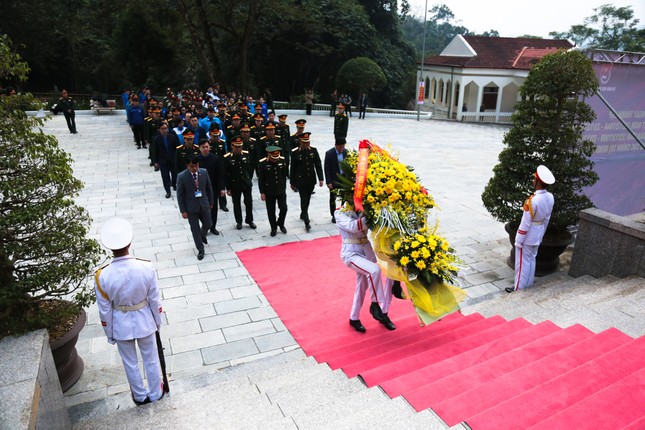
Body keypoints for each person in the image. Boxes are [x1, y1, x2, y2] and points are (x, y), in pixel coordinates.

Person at [95, 217, 164, 405]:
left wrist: (109, 333)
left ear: (109, 247)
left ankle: (140, 396)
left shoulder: (102, 275)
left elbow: (104, 310)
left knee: (130, 363)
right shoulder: (146, 267)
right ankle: (156, 393)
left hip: (120, 323)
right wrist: (157, 322)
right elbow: (154, 299)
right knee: (151, 359)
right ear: (130, 242)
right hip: (145, 319)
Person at [334, 207, 395, 332]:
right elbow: (353, 227)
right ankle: (375, 304)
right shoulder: (340, 212)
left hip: (366, 253)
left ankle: (354, 317)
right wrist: (370, 214)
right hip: (351, 254)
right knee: (374, 271)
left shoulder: (363, 209)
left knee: (361, 286)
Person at [506, 165, 556, 293]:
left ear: (538, 182)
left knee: (522, 264)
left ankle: (518, 288)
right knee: (532, 260)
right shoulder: (550, 197)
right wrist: (541, 234)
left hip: (528, 236)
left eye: (534, 179)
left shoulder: (532, 200)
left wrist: (518, 240)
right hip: (538, 233)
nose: (533, 181)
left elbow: (525, 224)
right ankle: (528, 285)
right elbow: (546, 219)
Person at [176, 157, 214, 260]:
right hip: (191, 207)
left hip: (204, 204)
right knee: (195, 229)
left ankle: (202, 235)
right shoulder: (181, 176)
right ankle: (200, 249)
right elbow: (180, 195)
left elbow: (209, 188)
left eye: (196, 165)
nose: (195, 168)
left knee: (208, 224)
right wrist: (183, 210)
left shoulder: (204, 172)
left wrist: (211, 202)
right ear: (187, 166)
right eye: (192, 166)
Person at [290, 132, 323, 232]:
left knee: (307, 198)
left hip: (311, 180)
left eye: (308, 142)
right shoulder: (295, 152)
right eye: (304, 142)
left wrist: (321, 178)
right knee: (303, 198)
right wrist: (292, 182)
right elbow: (293, 169)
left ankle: (303, 212)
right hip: (300, 181)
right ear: (300, 142)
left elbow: (318, 165)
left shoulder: (313, 150)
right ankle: (306, 220)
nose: (306, 144)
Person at [223, 137, 256, 230]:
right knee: (236, 204)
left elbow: (249, 168)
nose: (238, 149)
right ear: (232, 146)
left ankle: (249, 220)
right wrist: (228, 188)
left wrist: (248, 178)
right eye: (236, 147)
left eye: (240, 146)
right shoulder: (227, 158)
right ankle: (239, 221)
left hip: (246, 183)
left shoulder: (246, 154)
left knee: (249, 202)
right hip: (235, 184)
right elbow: (225, 174)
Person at [257, 146, 289, 236]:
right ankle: (273, 227)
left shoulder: (282, 160)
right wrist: (262, 192)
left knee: (284, 208)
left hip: (280, 189)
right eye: (273, 158)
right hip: (269, 191)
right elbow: (261, 179)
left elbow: (283, 175)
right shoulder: (263, 163)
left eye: (276, 157)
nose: (275, 160)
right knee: (271, 211)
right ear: (269, 155)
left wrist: (284, 187)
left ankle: (281, 223)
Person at [197, 138, 226, 235]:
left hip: (213, 187)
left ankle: (213, 227)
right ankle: (205, 226)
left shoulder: (215, 158)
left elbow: (220, 174)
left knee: (214, 208)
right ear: (199, 148)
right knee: (201, 209)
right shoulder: (196, 160)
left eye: (207, 147)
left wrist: (222, 188)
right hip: (200, 188)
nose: (205, 149)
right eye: (203, 147)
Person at [324, 138, 348, 223]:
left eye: (343, 146)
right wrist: (328, 181)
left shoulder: (346, 152)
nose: (342, 148)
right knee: (333, 198)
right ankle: (333, 215)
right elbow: (327, 168)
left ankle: (343, 212)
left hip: (344, 179)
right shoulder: (329, 153)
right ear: (336, 146)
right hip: (334, 179)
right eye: (340, 146)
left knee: (344, 197)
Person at [153, 123, 179, 198]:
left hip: (172, 160)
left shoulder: (172, 137)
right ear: (159, 130)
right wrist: (156, 162)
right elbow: (155, 151)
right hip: (163, 161)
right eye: (162, 129)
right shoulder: (156, 139)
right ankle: (168, 191)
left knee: (174, 174)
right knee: (165, 177)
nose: (164, 130)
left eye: (165, 128)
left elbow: (176, 148)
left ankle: (174, 185)